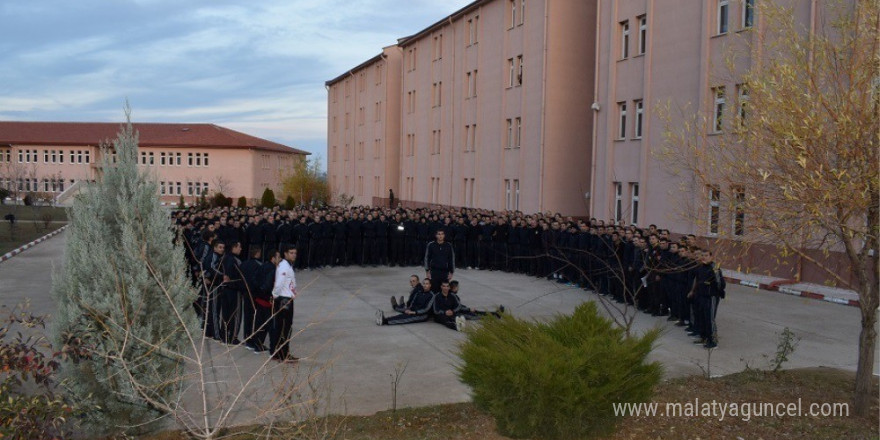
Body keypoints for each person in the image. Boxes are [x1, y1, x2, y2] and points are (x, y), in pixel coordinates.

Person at [690, 250, 725, 349]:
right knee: (701, 317)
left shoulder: (715, 269)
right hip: (700, 295)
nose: (704, 257)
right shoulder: (700, 268)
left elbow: (721, 284)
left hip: (711, 297)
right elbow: (696, 280)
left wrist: (715, 292)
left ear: (711, 257)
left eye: (706, 255)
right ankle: (704, 337)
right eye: (702, 255)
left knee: (710, 319)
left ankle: (713, 341)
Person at [270, 245, 299, 363]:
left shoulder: (287, 265)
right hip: (284, 300)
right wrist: (275, 295)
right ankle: (283, 354)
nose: (293, 255)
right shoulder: (284, 267)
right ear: (285, 254)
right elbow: (279, 284)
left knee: (282, 326)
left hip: (285, 298)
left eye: (295, 253)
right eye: (291, 253)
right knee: (285, 327)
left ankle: (278, 352)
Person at [424, 229, 455, 293]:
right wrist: (427, 270)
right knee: (434, 290)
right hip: (434, 271)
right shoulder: (431, 245)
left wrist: (451, 271)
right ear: (436, 235)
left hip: (445, 272)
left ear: (444, 235)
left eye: (442, 234)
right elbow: (427, 258)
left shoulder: (448, 245)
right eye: (439, 234)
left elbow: (451, 259)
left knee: (444, 290)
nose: (440, 236)